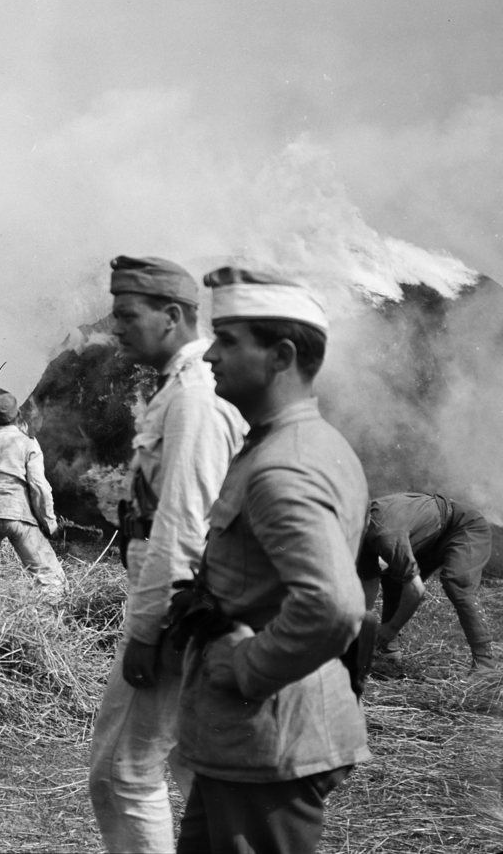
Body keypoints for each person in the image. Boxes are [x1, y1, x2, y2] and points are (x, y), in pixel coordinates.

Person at [173, 267, 369, 854]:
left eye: (229, 340)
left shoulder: (284, 465)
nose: (209, 354)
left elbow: (334, 606)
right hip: (247, 740)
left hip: (269, 738)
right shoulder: (302, 444)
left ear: (281, 356)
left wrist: (247, 666)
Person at [88, 255, 248, 854]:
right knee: (187, 767)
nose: (116, 325)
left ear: (173, 315)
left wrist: (147, 632)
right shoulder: (182, 392)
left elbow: (181, 528)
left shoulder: (194, 399)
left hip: (180, 614)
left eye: (128, 313)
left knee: (121, 776)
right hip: (194, 611)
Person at [358, 492, 495, 674]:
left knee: (457, 581)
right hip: (429, 535)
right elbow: (369, 579)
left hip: (463, 526)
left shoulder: (385, 532)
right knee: (394, 579)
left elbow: (416, 590)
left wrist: (391, 628)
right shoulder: (360, 531)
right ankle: (388, 651)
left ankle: (485, 665)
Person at [0, 389, 66, 595]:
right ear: (17, 414)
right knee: (48, 575)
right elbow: (39, 487)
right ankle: (50, 621)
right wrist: (50, 525)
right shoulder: (27, 443)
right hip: (16, 515)